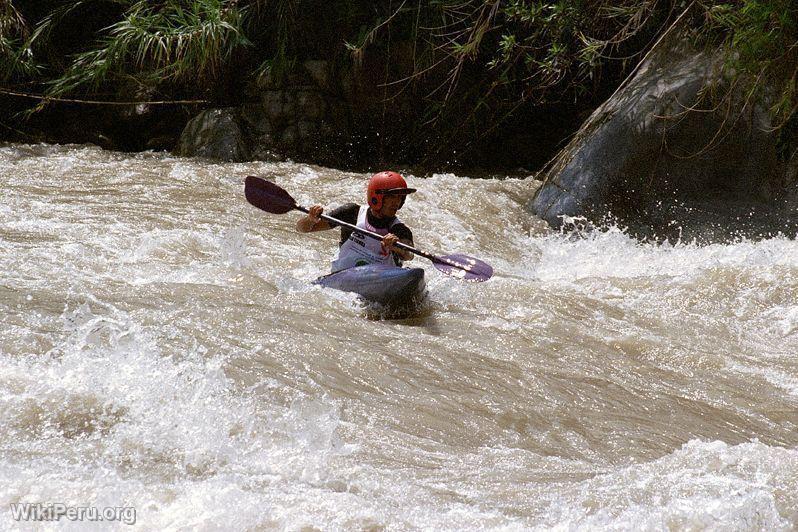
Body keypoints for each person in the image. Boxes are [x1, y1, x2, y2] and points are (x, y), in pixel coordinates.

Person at [296, 171, 416, 272]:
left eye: (400, 197)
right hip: (344, 274)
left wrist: (397, 247)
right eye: (392, 197)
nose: (397, 202)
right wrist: (310, 219)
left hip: (378, 280)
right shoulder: (351, 213)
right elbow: (302, 229)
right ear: (376, 197)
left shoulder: (399, 229)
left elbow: (409, 254)